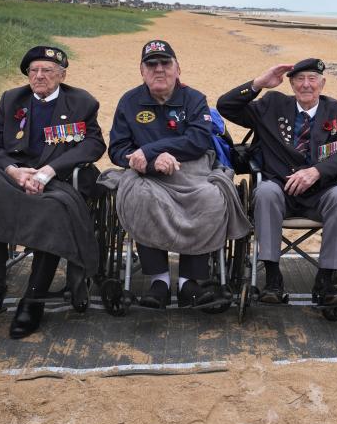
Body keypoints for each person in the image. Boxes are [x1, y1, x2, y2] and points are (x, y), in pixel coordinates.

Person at [0, 45, 105, 339]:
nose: (39, 76)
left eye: (47, 70)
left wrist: (48, 171)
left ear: (61, 75)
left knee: (55, 208)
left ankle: (33, 298)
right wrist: (13, 171)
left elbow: (93, 145)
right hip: (15, 177)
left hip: (57, 180)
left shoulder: (81, 102)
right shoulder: (12, 100)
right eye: (34, 71)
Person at [104, 40, 249, 309]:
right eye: (151, 64)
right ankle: (159, 281)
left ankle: (188, 283)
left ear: (177, 68)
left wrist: (150, 150)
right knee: (141, 198)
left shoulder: (194, 99)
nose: (159, 69)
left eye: (165, 63)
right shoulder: (129, 101)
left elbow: (198, 140)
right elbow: (117, 149)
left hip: (192, 169)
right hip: (146, 174)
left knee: (211, 198)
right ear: (142, 71)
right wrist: (150, 161)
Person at [217, 58, 337, 308]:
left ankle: (326, 279)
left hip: (321, 192)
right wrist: (259, 83)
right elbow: (225, 106)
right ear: (291, 84)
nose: (306, 85)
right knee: (265, 192)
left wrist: (316, 171)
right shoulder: (272, 104)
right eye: (300, 79)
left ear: (322, 83)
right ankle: (272, 279)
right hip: (279, 190)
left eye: (312, 79)